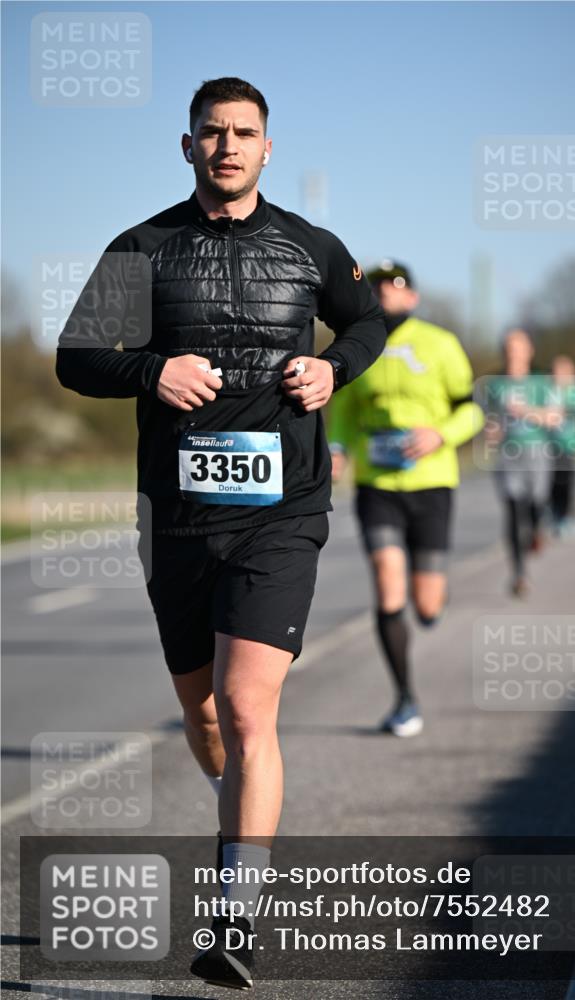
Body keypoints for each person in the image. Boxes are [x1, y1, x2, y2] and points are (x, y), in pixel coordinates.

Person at [55, 77, 386, 989]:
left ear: (267, 148)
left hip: (283, 511)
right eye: (212, 132)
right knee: (203, 715)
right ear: (188, 145)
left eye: (244, 133)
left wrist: (333, 372)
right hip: (178, 517)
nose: (228, 145)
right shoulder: (142, 246)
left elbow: (365, 325)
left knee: (247, 708)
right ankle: (240, 805)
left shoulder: (311, 246)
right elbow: (76, 358)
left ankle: (235, 915)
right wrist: (151, 371)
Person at [327, 260, 483, 736]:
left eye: (394, 287)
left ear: (412, 296)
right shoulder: (359, 344)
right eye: (377, 287)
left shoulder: (441, 344)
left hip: (432, 481)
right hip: (377, 484)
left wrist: (441, 435)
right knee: (386, 580)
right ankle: (405, 698)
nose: (385, 294)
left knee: (427, 603)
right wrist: (338, 449)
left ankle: (433, 596)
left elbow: (472, 409)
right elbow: (345, 409)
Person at [483, 329, 561, 597]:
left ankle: (539, 528)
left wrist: (526, 411)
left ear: (530, 351)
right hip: (508, 454)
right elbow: (488, 420)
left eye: (518, 347)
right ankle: (519, 574)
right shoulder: (494, 384)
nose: (513, 352)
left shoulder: (542, 383)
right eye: (508, 347)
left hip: (537, 451)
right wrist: (491, 430)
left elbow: (555, 417)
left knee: (536, 505)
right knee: (513, 511)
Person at [547, 355, 575, 539]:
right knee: (551, 483)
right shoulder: (546, 390)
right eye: (557, 371)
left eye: (564, 371)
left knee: (568, 483)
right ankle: (554, 514)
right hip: (548, 445)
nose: (560, 375)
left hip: (570, 445)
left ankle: (567, 517)